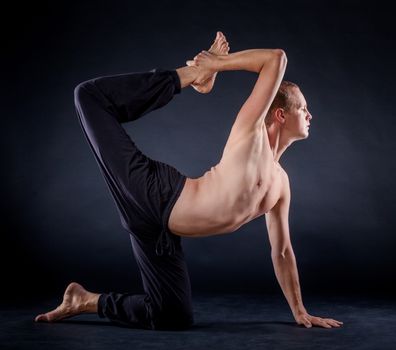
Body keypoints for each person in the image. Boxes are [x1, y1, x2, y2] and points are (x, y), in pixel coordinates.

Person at [35, 32, 343, 330]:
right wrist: (210, 66)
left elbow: (283, 252)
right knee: (89, 97)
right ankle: (191, 74)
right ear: (279, 115)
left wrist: (300, 311)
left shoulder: (281, 184)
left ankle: (84, 300)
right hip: (155, 193)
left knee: (172, 317)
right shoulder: (252, 135)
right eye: (303, 108)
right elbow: (276, 58)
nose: (310, 114)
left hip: (160, 232)